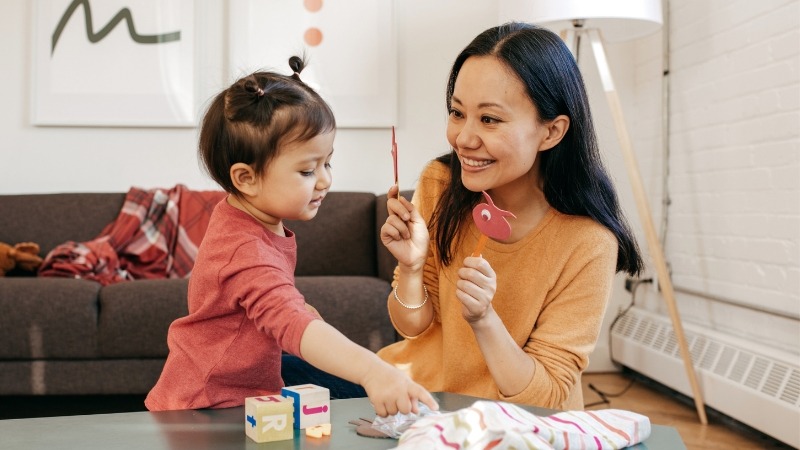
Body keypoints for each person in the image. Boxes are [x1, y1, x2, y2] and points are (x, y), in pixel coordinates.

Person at [145, 57, 438, 417]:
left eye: (326, 163)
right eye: (307, 170)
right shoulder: (245, 248)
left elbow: (262, 302)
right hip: (207, 408)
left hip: (242, 389)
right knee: (356, 381)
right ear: (246, 178)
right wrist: (372, 371)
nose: (325, 180)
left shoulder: (247, 216)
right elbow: (289, 320)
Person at [377, 22, 643, 411]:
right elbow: (411, 327)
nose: (464, 139)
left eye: (489, 119)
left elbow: (547, 396)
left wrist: (484, 318)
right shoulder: (441, 184)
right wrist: (413, 268)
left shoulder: (589, 242)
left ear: (552, 132)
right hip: (426, 404)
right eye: (457, 113)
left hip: (523, 424)